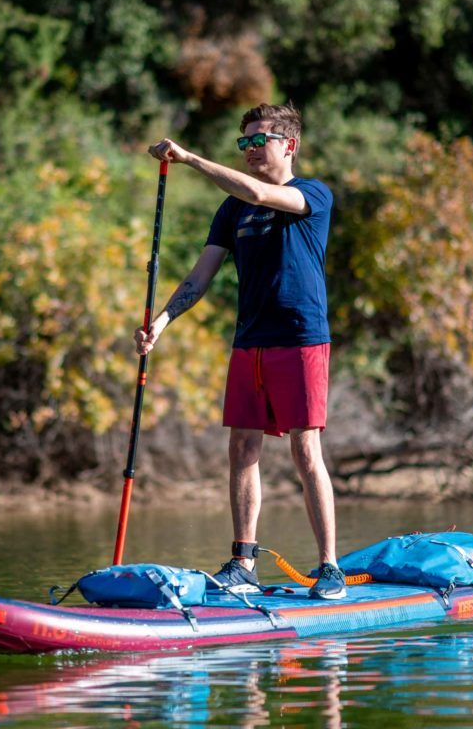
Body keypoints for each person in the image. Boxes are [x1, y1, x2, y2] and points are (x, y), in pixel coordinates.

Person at [137, 102, 346, 600]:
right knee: (242, 448)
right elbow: (199, 276)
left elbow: (257, 191)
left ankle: (330, 568)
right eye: (245, 143)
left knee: (304, 449)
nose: (252, 150)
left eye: (260, 141)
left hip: (300, 336)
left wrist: (189, 160)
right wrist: (159, 325)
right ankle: (243, 562)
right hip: (249, 339)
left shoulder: (312, 193)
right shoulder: (231, 210)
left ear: (288, 145)